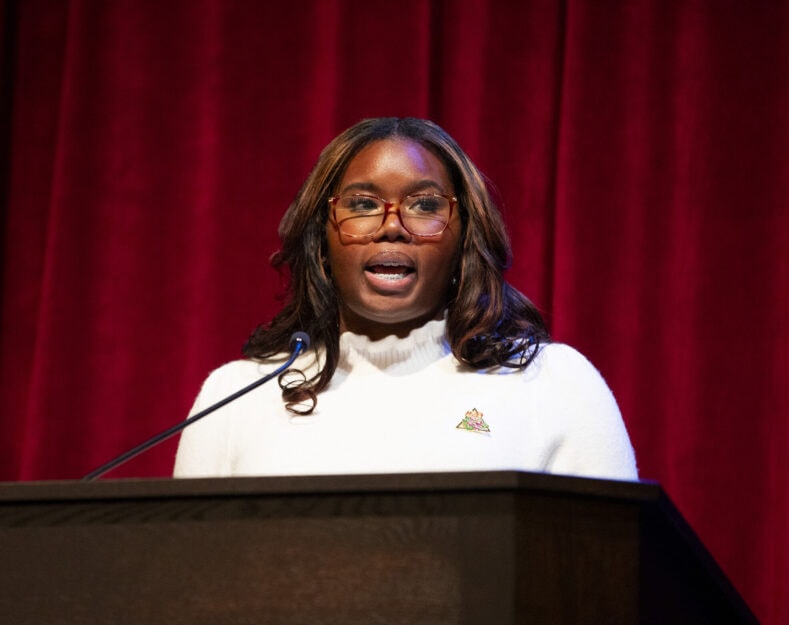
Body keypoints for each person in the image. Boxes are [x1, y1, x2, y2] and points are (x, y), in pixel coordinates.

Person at [174, 117, 637, 481]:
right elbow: (190, 580)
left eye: (426, 205)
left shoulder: (552, 383)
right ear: (321, 240)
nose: (392, 225)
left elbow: (612, 576)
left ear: (464, 240)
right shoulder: (235, 396)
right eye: (361, 205)